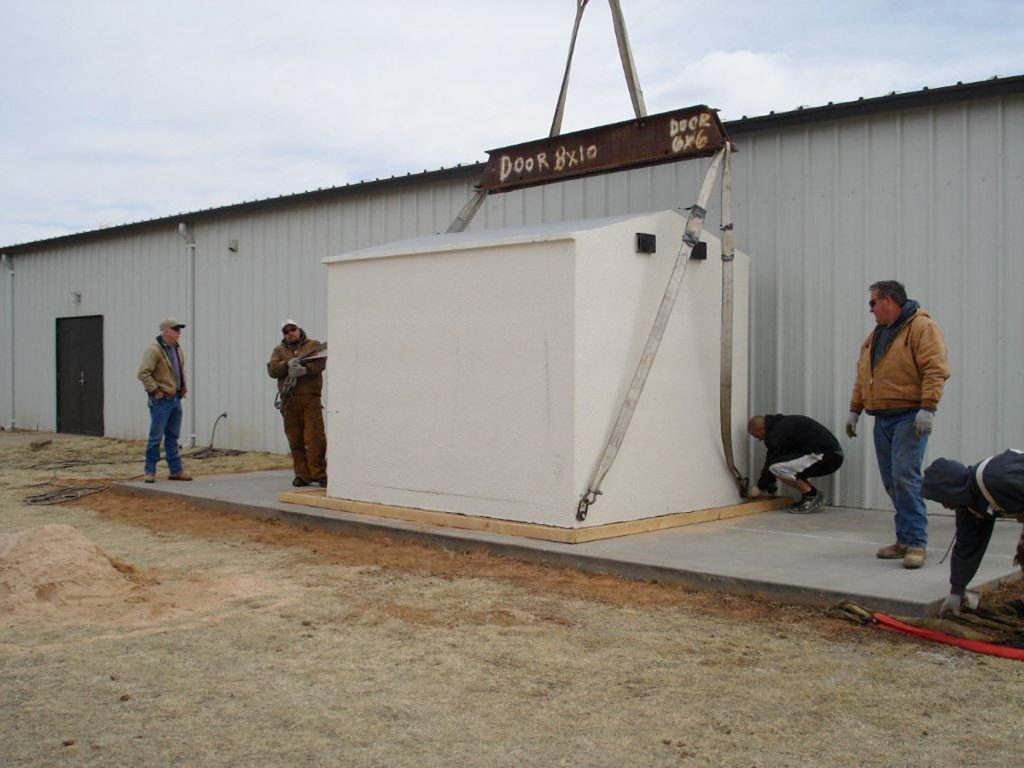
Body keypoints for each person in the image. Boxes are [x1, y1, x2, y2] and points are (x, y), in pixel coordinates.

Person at [846, 280, 950, 569]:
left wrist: (928, 408)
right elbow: (863, 375)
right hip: (882, 417)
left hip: (909, 416)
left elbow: (935, 368)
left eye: (873, 303)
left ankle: (917, 543)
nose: (871, 309)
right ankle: (903, 540)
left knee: (905, 477)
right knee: (892, 482)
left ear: (888, 300)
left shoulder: (921, 328)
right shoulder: (876, 336)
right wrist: (855, 409)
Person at [921, 450, 1024, 617]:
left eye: (942, 499)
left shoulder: (996, 479)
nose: (945, 506)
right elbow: (968, 546)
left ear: (951, 490)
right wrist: (957, 591)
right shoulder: (971, 503)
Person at [267, 319, 327, 487]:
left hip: (310, 398)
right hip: (289, 401)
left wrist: (306, 370)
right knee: (295, 439)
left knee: (315, 437)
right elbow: (272, 370)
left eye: (292, 329)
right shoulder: (278, 351)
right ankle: (302, 475)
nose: (290, 333)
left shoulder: (314, 345)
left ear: (299, 329)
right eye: (286, 331)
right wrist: (286, 365)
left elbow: (321, 362)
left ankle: (319, 473)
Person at [746, 414, 844, 513]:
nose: (759, 439)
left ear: (761, 429)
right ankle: (809, 496)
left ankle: (812, 495)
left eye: (757, 436)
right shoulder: (781, 425)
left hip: (828, 456)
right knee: (787, 466)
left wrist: (758, 488)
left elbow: (771, 461)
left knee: (776, 468)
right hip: (830, 455)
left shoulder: (778, 432)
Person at [137, 317, 192, 483]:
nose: (179, 332)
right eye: (176, 329)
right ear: (166, 331)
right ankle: (150, 471)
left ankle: (176, 470)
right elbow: (143, 373)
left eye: (179, 330)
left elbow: (179, 372)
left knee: (172, 436)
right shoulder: (154, 350)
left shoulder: (177, 349)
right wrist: (155, 391)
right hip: (162, 400)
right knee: (156, 436)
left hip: (175, 397)